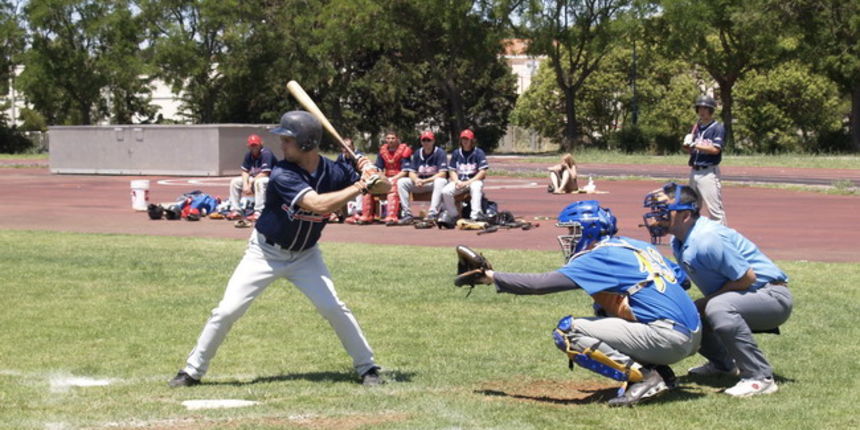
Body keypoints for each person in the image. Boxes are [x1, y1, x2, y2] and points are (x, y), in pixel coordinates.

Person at [168, 111, 389, 388]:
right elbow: (319, 205)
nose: (281, 145)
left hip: (306, 255)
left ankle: (368, 368)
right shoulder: (282, 174)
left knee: (333, 307)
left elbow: (384, 188)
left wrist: (369, 170)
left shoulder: (334, 172)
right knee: (227, 311)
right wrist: (361, 184)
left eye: (287, 140)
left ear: (306, 144)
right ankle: (192, 371)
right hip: (265, 253)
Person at [458, 200, 701, 407]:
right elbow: (683, 281)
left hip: (668, 338)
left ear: (590, 230)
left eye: (573, 230)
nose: (569, 237)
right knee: (604, 307)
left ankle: (647, 377)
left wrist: (490, 277)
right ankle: (663, 372)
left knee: (567, 331)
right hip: (693, 336)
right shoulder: (636, 244)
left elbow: (539, 285)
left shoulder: (598, 255)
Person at [643, 182, 793, 397]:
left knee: (717, 307)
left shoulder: (707, 238)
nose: (657, 216)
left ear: (685, 215)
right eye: (655, 211)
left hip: (771, 296)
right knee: (688, 311)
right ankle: (723, 365)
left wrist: (706, 302)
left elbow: (747, 278)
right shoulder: (680, 240)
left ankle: (759, 377)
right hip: (748, 294)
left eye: (664, 211)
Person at [683, 95, 726, 225]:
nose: (702, 111)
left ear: (711, 111)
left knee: (715, 211)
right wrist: (687, 146)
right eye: (700, 108)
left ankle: (722, 240)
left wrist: (695, 144)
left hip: (708, 172)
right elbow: (693, 150)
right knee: (692, 208)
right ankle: (693, 237)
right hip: (694, 171)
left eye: (705, 109)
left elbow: (715, 149)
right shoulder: (697, 127)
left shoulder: (717, 128)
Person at [353, 131, 412, 225]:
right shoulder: (383, 151)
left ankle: (391, 216)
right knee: (369, 185)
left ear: (397, 139)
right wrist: (374, 175)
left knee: (393, 187)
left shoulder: (404, 150)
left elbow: (405, 171)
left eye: (393, 138)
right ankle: (366, 215)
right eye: (388, 138)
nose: (390, 140)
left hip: (399, 176)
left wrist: (393, 178)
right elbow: (378, 168)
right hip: (386, 176)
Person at [396, 130, 448, 224]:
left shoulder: (440, 153)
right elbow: (411, 172)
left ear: (433, 141)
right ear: (421, 142)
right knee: (402, 182)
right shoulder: (417, 153)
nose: (426, 142)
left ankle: (433, 214)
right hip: (420, 183)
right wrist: (416, 179)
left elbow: (443, 173)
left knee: (441, 181)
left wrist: (425, 181)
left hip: (432, 183)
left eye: (429, 140)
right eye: (424, 140)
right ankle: (407, 214)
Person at [441, 129, 489, 223]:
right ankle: (454, 215)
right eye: (463, 139)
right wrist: (456, 181)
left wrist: (468, 182)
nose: (465, 141)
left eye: (467, 139)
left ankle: (475, 215)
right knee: (445, 191)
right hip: (460, 181)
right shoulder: (456, 153)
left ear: (472, 140)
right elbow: (452, 170)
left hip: (473, 181)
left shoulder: (479, 152)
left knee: (476, 186)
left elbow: (482, 172)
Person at [227, 134, 278, 222]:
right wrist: (245, 184)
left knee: (260, 182)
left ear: (261, 144)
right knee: (235, 182)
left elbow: (265, 173)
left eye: (256, 145)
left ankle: (259, 212)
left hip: (272, 181)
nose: (254, 147)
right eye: (252, 145)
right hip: (256, 180)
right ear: (248, 146)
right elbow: (245, 171)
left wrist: (250, 183)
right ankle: (236, 210)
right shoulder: (249, 155)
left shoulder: (266, 153)